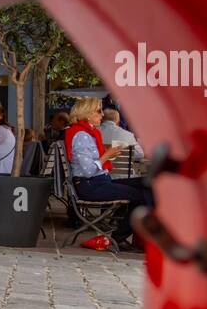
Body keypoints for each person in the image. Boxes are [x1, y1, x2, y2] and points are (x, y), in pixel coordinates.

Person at [65, 97, 153, 251]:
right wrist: (107, 155)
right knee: (144, 195)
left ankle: (120, 237)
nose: (102, 115)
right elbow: (88, 171)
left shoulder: (88, 133)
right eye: (98, 111)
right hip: (90, 185)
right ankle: (118, 238)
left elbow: (91, 164)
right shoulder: (81, 136)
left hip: (99, 181)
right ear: (87, 114)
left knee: (149, 184)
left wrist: (107, 154)